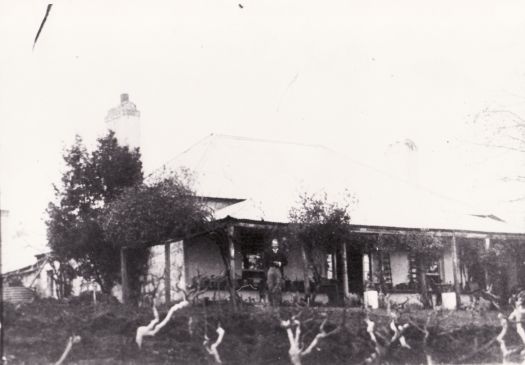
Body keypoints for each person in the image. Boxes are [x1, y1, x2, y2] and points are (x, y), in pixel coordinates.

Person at [263, 238, 288, 306]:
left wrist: (280, 263)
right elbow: (265, 263)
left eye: (276, 244)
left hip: (278, 270)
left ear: (278, 245)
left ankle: (279, 302)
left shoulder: (281, 252)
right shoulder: (267, 252)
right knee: (270, 286)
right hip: (270, 269)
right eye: (273, 244)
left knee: (278, 286)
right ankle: (270, 302)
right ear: (272, 245)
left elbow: (286, 262)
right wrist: (266, 272)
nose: (275, 246)